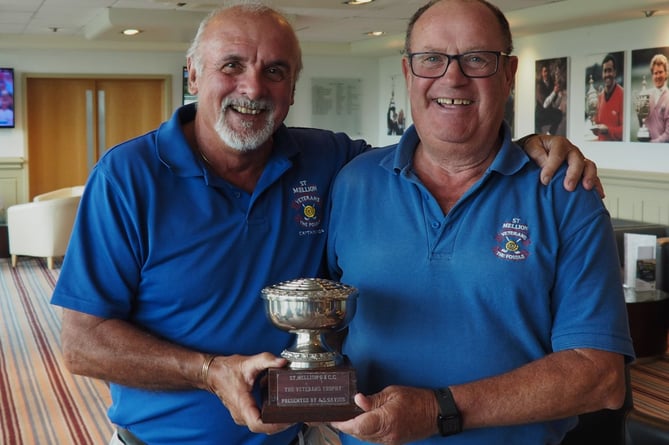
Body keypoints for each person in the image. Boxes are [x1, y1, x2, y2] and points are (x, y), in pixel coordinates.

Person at [50, 2, 600, 445]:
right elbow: (80, 345)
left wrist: (531, 145)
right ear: (193, 73)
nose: (253, 87)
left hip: (296, 435)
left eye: (275, 70)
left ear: (293, 87)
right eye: (231, 66)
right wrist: (207, 371)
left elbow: (447, 134)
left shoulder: (332, 163)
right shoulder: (128, 175)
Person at [326, 1, 634, 444]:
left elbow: (599, 376)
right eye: (431, 58)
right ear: (408, 72)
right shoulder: (353, 182)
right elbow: (327, 323)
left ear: (508, 74)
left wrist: (437, 411)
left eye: (476, 59)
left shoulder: (564, 193)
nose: (452, 77)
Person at [591, 53, 623, 141]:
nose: (607, 74)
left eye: (610, 70)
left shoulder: (623, 95)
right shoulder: (599, 97)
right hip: (601, 148)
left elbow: (625, 130)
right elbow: (597, 125)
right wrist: (594, 128)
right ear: (602, 74)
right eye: (605, 71)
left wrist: (608, 130)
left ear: (615, 72)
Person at [645, 53, 669, 142]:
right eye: (655, 73)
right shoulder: (646, 96)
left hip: (663, 150)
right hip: (646, 149)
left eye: (661, 72)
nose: (658, 76)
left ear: (666, 74)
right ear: (652, 76)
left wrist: (653, 143)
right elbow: (643, 124)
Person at [535, 62, 564, 135]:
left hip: (548, 112)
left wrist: (560, 95)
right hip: (540, 115)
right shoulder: (539, 86)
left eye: (548, 71)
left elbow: (555, 105)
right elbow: (545, 105)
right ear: (542, 73)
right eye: (545, 71)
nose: (546, 74)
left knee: (559, 114)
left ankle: (550, 133)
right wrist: (554, 92)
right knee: (538, 137)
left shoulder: (551, 84)